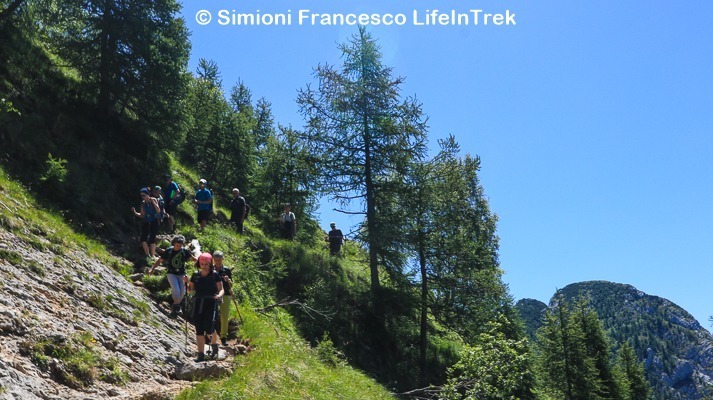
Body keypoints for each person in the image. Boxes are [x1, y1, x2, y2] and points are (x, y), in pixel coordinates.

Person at [188, 252, 224, 362]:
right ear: (199, 263)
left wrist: (219, 296)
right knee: (199, 328)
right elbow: (190, 290)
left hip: (211, 302)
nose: (204, 265)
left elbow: (221, 289)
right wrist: (186, 283)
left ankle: (214, 345)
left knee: (209, 327)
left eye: (206, 264)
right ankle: (200, 354)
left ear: (210, 263)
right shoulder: (195, 275)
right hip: (198, 303)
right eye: (202, 263)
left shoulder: (215, 275)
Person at [148, 235, 196, 318]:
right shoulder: (169, 251)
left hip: (181, 273)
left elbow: (193, 258)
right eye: (177, 245)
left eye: (180, 245)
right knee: (176, 288)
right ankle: (177, 307)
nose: (179, 247)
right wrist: (152, 268)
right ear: (174, 243)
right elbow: (160, 260)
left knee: (182, 292)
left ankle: (175, 307)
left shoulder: (184, 251)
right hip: (171, 273)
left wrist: (202, 261)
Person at [131, 187, 161, 260]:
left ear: (148, 194)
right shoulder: (143, 203)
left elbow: (158, 210)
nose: (143, 197)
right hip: (147, 222)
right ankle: (147, 255)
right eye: (141, 196)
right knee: (143, 238)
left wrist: (153, 202)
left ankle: (153, 255)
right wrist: (135, 213)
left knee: (152, 239)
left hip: (154, 221)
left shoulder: (154, 199)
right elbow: (142, 215)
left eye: (144, 195)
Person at [213, 251, 233, 345]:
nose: (217, 262)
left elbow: (231, 285)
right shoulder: (211, 269)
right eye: (216, 260)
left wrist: (228, 280)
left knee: (224, 316)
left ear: (222, 259)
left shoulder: (226, 270)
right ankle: (210, 335)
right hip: (213, 294)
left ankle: (223, 337)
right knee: (211, 315)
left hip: (225, 294)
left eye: (219, 260)